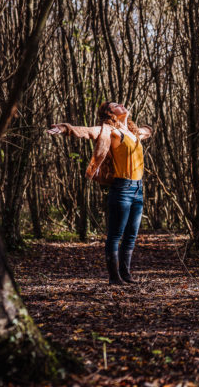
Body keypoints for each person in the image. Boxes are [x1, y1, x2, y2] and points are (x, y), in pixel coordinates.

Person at [48, 102, 152, 285]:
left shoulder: (133, 132)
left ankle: (126, 275)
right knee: (115, 235)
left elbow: (146, 131)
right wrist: (65, 128)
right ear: (110, 113)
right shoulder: (109, 131)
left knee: (131, 236)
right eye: (115, 105)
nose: (121, 104)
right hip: (122, 189)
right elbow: (87, 131)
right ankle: (114, 278)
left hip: (138, 189)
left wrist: (149, 128)